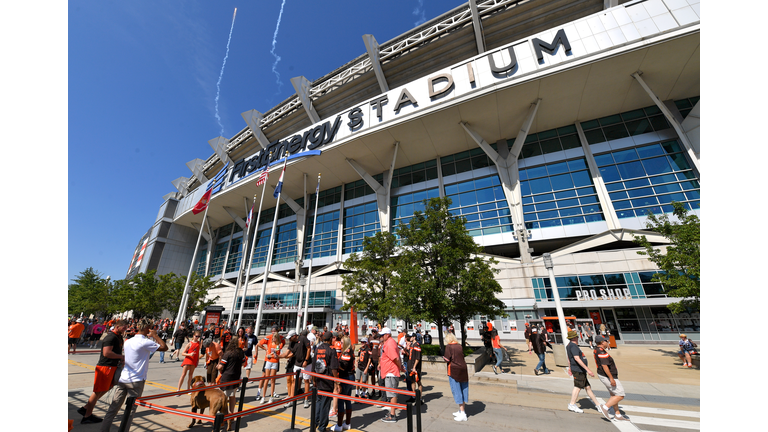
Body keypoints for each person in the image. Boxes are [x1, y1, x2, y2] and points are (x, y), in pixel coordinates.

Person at [99, 318, 167, 431]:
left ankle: (104, 430)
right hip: (136, 380)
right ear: (147, 328)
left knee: (113, 408)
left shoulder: (128, 341)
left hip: (124, 378)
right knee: (130, 411)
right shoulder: (145, 342)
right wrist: (156, 336)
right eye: (151, 328)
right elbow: (164, 347)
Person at [78, 320, 128, 424]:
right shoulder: (111, 337)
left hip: (112, 366)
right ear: (117, 327)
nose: (125, 329)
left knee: (107, 387)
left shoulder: (118, 337)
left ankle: (86, 408)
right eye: (124, 328)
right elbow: (107, 353)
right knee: (97, 391)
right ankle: (87, 416)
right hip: (105, 367)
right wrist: (121, 357)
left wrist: (120, 359)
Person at [593, 335, 630, 421]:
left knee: (614, 395)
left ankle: (618, 415)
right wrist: (611, 378)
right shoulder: (601, 352)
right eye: (606, 341)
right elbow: (605, 366)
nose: (608, 342)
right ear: (602, 342)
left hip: (604, 375)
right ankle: (605, 407)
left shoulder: (597, 349)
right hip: (608, 376)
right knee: (620, 395)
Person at [566, 330, 602, 414]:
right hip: (578, 369)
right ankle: (572, 404)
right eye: (577, 337)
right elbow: (576, 358)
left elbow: (569, 358)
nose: (578, 338)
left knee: (587, 387)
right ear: (574, 338)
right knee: (577, 387)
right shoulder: (573, 346)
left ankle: (598, 405)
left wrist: (570, 368)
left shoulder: (569, 345)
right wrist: (588, 370)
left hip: (578, 369)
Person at [313, 331, 340, 432]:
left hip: (318, 378)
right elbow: (333, 368)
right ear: (330, 339)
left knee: (319, 402)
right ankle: (322, 427)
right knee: (325, 404)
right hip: (327, 380)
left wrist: (314, 379)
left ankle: (315, 423)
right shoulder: (331, 350)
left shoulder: (318, 348)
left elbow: (313, 365)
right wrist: (337, 382)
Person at [379, 327, 405, 423]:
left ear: (387, 335)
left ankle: (393, 415)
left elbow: (396, 358)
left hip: (391, 372)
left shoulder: (390, 343)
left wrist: (400, 367)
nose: (381, 337)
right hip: (389, 372)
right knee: (391, 394)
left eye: (382, 335)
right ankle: (392, 413)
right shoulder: (389, 342)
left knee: (392, 394)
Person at [331, 335, 355, 432]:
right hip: (349, 377)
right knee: (347, 399)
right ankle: (347, 423)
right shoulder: (349, 351)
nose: (340, 344)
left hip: (345, 377)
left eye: (341, 342)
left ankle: (339, 425)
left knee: (341, 400)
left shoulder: (347, 352)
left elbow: (343, 366)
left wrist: (335, 364)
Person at [443, 331, 469, 422]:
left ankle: (462, 413)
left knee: (457, 390)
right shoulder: (459, 346)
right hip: (463, 368)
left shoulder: (449, 346)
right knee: (463, 389)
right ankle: (461, 410)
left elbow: (447, 359)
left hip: (454, 370)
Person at [217, 338, 245, 414]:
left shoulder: (228, 353)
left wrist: (218, 366)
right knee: (232, 396)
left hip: (227, 377)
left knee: (224, 396)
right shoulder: (241, 352)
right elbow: (243, 363)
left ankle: (224, 413)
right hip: (236, 376)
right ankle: (231, 413)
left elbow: (221, 366)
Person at [259, 326, 285, 404]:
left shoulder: (279, 344)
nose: (272, 338)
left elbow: (276, 352)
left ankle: (271, 396)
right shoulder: (270, 343)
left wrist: (270, 354)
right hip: (268, 361)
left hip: (274, 362)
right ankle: (263, 396)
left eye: (274, 337)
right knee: (266, 379)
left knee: (272, 380)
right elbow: (263, 347)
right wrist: (267, 352)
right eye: (272, 337)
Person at [405, 332, 423, 400]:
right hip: (410, 366)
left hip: (415, 368)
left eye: (411, 337)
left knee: (418, 382)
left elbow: (417, 358)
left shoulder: (417, 345)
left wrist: (414, 367)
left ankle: (419, 398)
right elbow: (410, 355)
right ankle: (413, 396)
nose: (409, 338)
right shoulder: (412, 345)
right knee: (412, 381)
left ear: (414, 337)